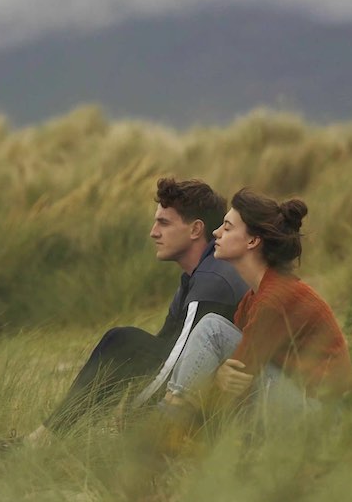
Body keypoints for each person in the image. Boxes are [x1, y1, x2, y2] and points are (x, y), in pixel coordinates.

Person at [23, 178, 248, 446]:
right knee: (126, 344)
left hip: (232, 408)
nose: (153, 232)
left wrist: (133, 416)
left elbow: (179, 366)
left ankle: (48, 439)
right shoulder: (197, 276)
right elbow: (164, 345)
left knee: (123, 342)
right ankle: (56, 436)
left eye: (164, 223)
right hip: (208, 397)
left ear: (196, 229)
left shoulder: (213, 279)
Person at [159, 187, 352, 432]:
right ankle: (172, 422)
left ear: (252, 241)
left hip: (325, 417)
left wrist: (219, 378)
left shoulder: (274, 299)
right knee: (216, 333)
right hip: (301, 403)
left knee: (213, 328)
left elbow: (240, 375)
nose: (216, 233)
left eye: (227, 227)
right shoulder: (254, 297)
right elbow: (235, 372)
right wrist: (220, 375)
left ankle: (168, 423)